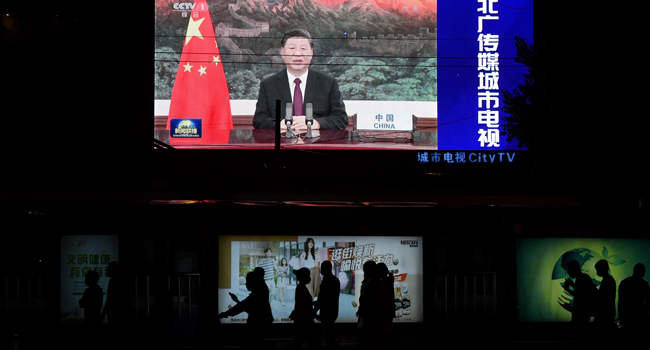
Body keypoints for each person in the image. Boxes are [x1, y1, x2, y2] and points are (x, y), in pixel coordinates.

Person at [252, 29, 348, 132]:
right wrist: (281, 124)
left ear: (311, 53)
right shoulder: (268, 85)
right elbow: (259, 120)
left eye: (303, 48)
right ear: (283, 52)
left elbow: (341, 119)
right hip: (282, 145)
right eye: (292, 48)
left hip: (317, 144)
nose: (298, 54)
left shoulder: (328, 84)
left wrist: (315, 123)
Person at [219, 272, 274, 349]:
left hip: (255, 331)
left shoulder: (256, 296)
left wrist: (223, 314)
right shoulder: (261, 292)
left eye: (247, 281)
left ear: (253, 282)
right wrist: (237, 301)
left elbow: (241, 308)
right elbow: (245, 307)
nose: (246, 284)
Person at [563, 260, 596, 341]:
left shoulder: (584, 278)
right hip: (580, 313)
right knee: (579, 335)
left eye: (570, 270)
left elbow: (585, 294)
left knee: (578, 335)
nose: (569, 272)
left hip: (582, 313)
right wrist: (569, 289)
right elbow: (579, 294)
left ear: (575, 269)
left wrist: (572, 286)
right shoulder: (582, 278)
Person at [618, 263, 650, 343]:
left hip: (627, 316)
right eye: (643, 272)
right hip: (640, 317)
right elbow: (647, 301)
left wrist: (620, 316)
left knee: (627, 340)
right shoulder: (644, 284)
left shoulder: (624, 283)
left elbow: (620, 302)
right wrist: (646, 315)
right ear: (641, 272)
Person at [288, 268, 319, 350]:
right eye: (308, 276)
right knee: (310, 341)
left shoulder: (301, 287)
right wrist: (313, 305)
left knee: (300, 340)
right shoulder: (301, 288)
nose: (309, 278)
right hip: (304, 320)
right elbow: (303, 305)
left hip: (302, 320)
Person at [313, 260, 340, 349]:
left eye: (322, 267)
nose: (320, 269)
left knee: (327, 335)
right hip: (332, 311)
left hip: (327, 312)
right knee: (328, 335)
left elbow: (322, 299)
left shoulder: (326, 281)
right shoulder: (334, 280)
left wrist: (314, 311)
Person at [371, 262, 397, 350]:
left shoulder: (385, 284)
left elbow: (382, 301)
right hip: (386, 315)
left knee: (378, 337)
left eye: (377, 272)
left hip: (383, 315)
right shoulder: (388, 282)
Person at [357, 260, 379, 350]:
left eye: (367, 270)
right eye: (364, 270)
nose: (365, 272)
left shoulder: (377, 283)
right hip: (364, 315)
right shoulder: (366, 281)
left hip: (372, 318)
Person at [593, 260, 616, 338]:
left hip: (606, 313)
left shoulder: (608, 280)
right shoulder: (607, 280)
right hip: (606, 312)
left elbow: (607, 297)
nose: (597, 272)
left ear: (602, 269)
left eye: (597, 269)